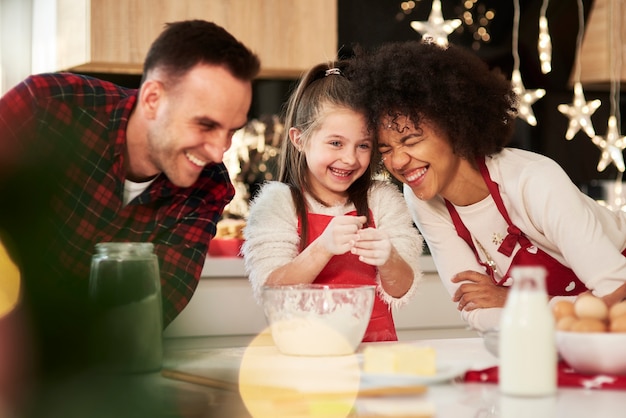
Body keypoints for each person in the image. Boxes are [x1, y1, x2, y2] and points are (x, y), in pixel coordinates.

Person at [0, 19, 260, 372]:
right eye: (206, 125)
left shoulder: (209, 186)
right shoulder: (48, 106)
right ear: (153, 99)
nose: (219, 151)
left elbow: (143, 319)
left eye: (231, 131)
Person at [347, 40, 626, 333]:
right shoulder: (421, 197)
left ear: (455, 127)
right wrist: (553, 308)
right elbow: (477, 313)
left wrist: (515, 301)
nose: (399, 161)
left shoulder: (533, 181)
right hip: (567, 336)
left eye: (412, 140)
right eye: (386, 150)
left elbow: (616, 296)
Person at [241, 61, 423, 342]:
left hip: (377, 355)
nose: (350, 159)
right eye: (336, 143)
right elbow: (271, 291)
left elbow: (401, 289)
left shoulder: (382, 199)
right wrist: (322, 248)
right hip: (304, 356)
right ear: (299, 140)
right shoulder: (277, 204)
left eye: (363, 145)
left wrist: (389, 257)